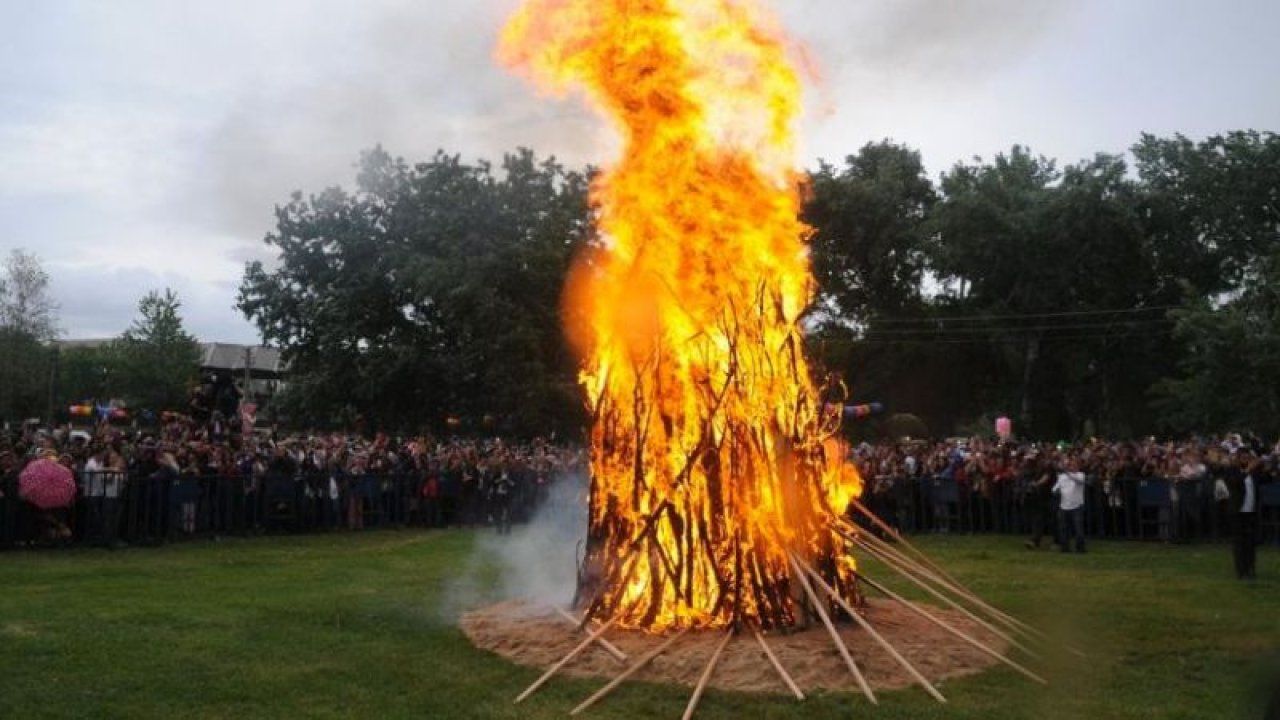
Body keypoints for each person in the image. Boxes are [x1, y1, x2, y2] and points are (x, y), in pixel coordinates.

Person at [1223, 449, 1270, 580]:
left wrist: (1266, 468)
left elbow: (1266, 479)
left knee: (1250, 542)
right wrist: (1248, 469)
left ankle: (1251, 569)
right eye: (1243, 458)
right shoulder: (1231, 471)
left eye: (1247, 458)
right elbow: (1235, 483)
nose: (1246, 460)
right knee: (1239, 542)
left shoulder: (1254, 472)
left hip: (1251, 512)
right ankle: (1241, 571)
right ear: (1238, 459)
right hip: (1237, 512)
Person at [1053, 458, 1087, 553]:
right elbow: (1055, 488)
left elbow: (1078, 481)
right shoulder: (1062, 477)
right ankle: (1065, 547)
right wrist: (1056, 491)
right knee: (1063, 528)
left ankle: (1080, 548)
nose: (1071, 467)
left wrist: (1067, 473)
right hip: (1063, 506)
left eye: (1074, 465)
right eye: (1070, 465)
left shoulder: (1081, 475)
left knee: (1078, 528)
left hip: (1077, 506)